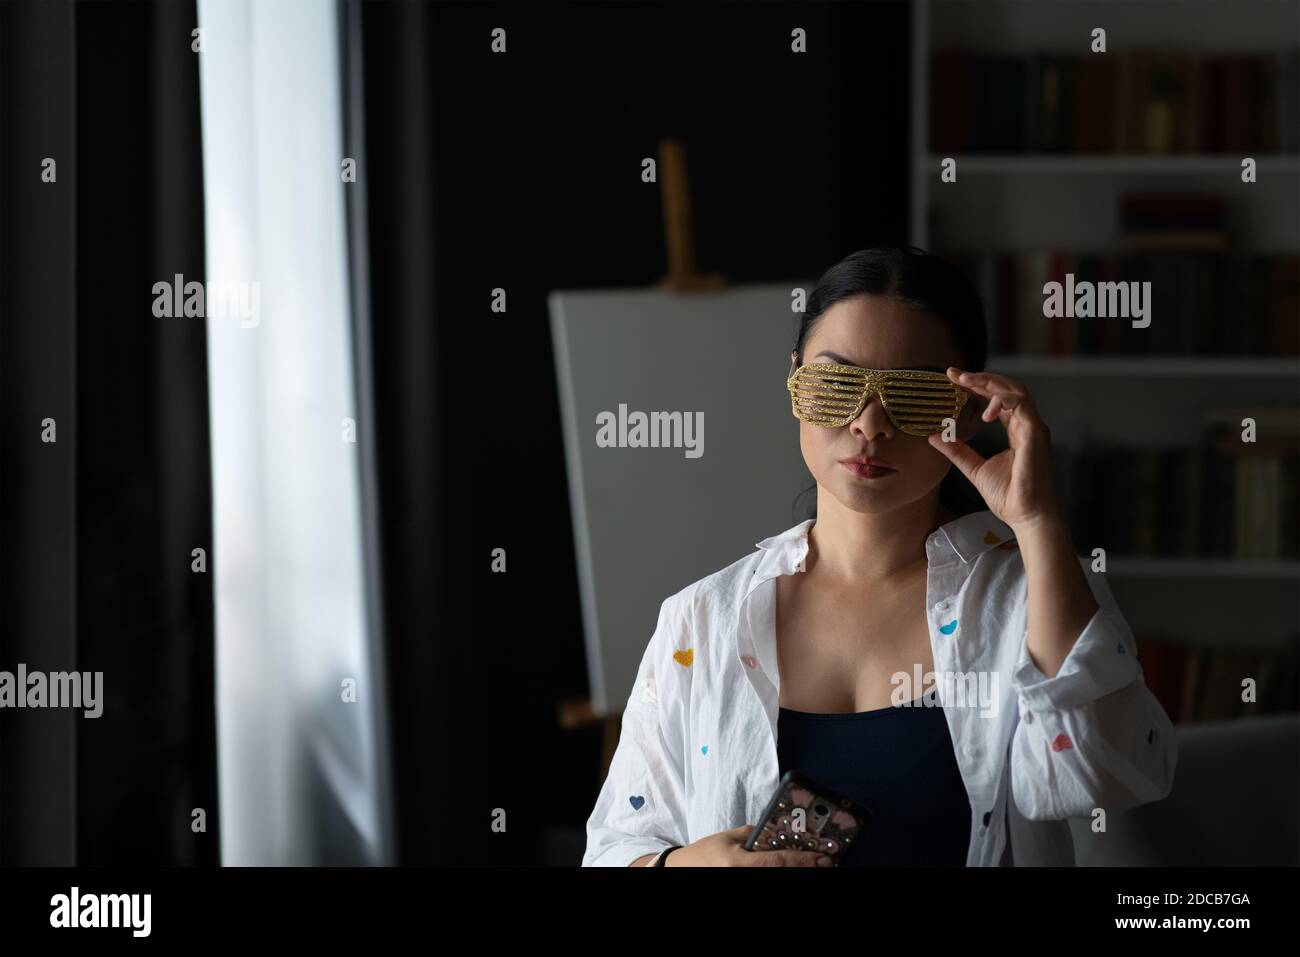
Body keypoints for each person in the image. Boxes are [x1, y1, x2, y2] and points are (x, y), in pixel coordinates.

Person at [581, 246, 1177, 867]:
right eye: (836, 384)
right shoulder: (701, 620)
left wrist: (1037, 521)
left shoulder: (1033, 592)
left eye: (914, 394)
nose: (870, 423)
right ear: (794, 382)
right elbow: (614, 849)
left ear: (970, 411)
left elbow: (1106, 778)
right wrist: (688, 866)